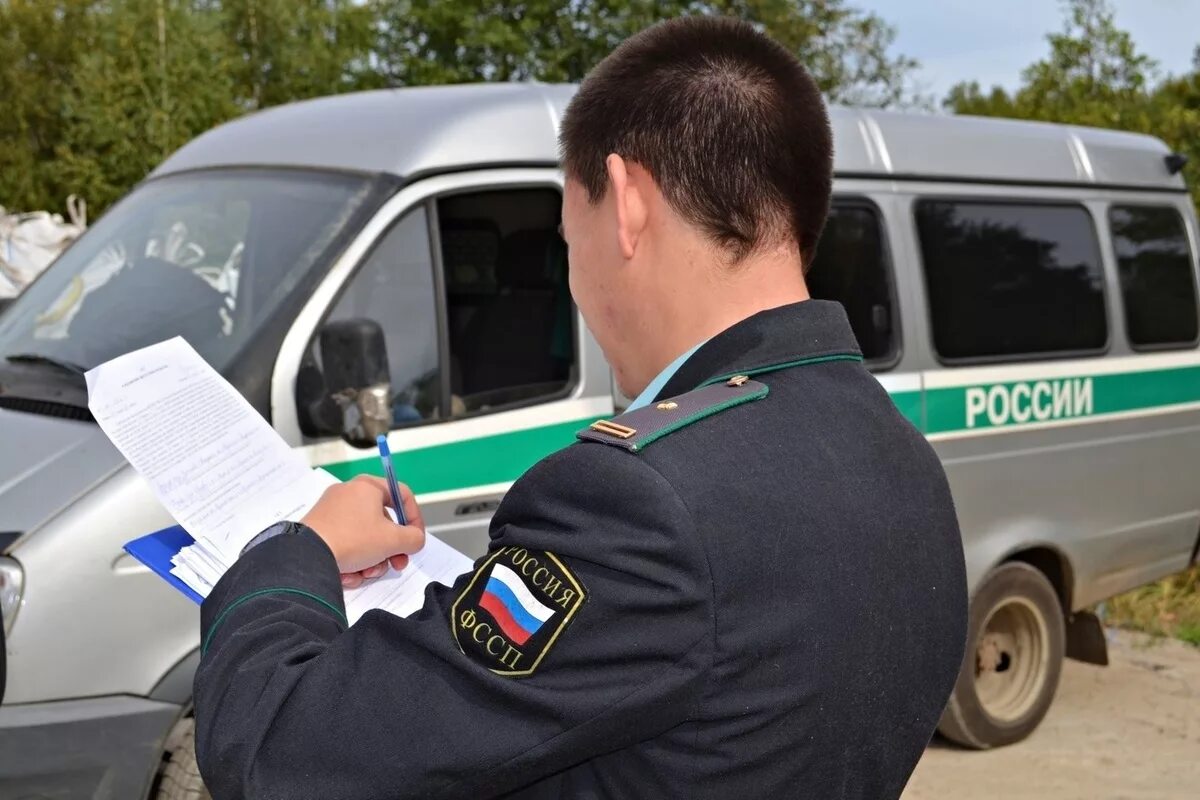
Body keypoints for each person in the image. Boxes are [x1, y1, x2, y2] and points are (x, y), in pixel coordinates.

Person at [194, 16, 967, 800]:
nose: (573, 275)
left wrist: (293, 550)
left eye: (569, 235)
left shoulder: (640, 504)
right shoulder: (904, 459)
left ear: (626, 203)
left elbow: (277, 754)